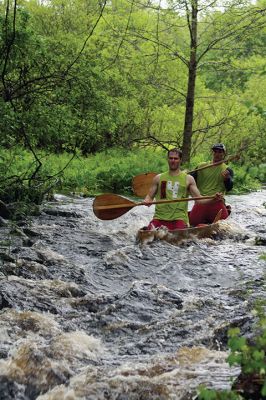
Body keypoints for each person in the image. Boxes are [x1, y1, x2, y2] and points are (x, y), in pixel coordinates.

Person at [143, 148, 222, 230]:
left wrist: (213, 199)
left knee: (177, 236)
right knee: (147, 235)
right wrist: (147, 200)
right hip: (159, 218)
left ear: (180, 160)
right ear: (168, 159)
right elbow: (149, 196)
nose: (173, 160)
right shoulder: (158, 178)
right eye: (171, 158)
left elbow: (199, 200)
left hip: (179, 219)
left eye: (176, 158)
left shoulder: (188, 179)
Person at [189, 143, 233, 226]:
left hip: (217, 202)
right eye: (215, 151)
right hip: (201, 202)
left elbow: (229, 188)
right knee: (193, 223)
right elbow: (189, 180)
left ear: (224, 154)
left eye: (220, 152)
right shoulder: (201, 166)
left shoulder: (227, 170)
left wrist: (227, 179)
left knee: (224, 226)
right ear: (212, 153)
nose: (217, 154)